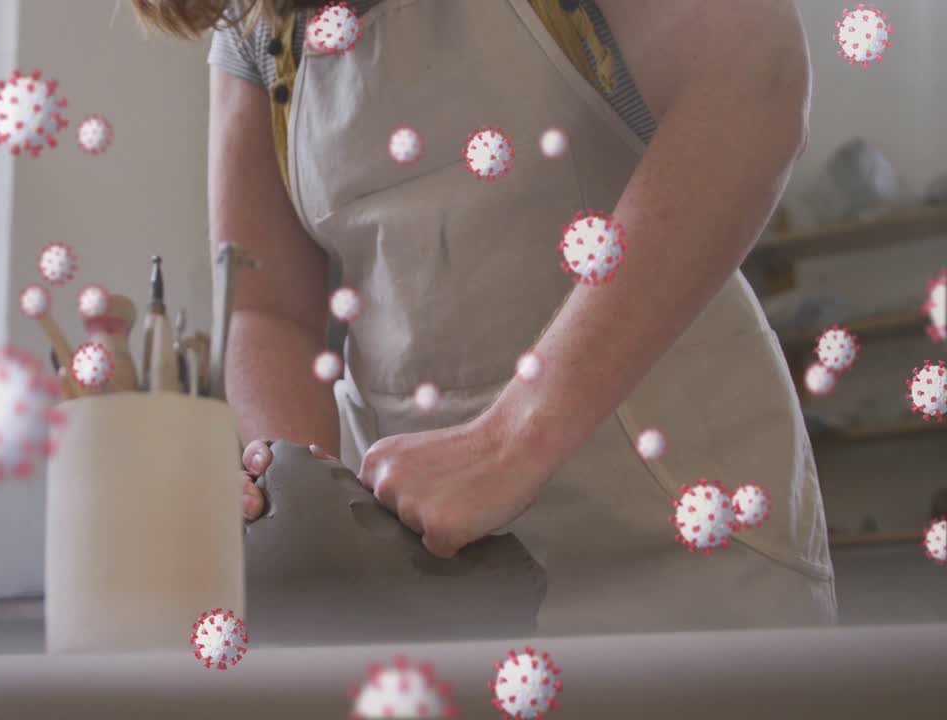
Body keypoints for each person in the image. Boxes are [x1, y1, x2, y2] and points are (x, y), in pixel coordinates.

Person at [131, 0, 838, 635]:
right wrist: (299, 508)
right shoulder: (258, 33)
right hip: (437, 586)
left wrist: (513, 440)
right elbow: (270, 308)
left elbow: (757, 78)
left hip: (691, 550)